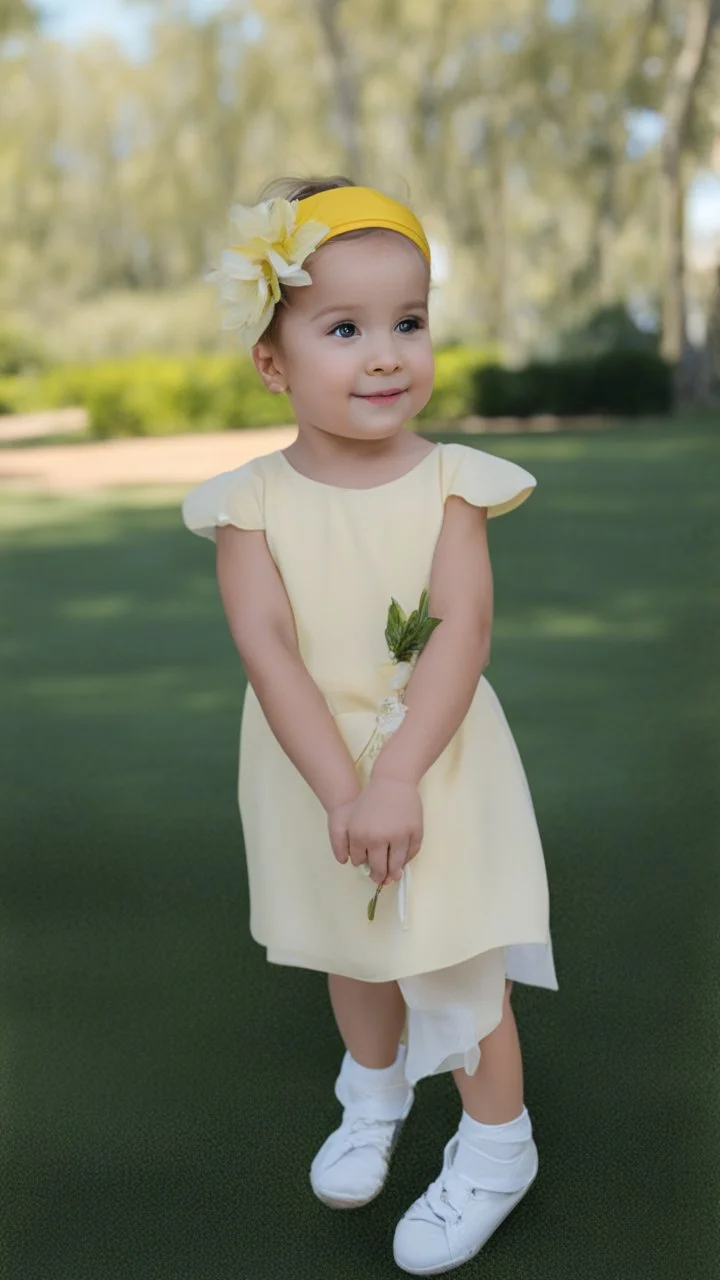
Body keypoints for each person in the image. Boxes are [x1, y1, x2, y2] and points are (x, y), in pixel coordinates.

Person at [182, 176, 558, 1275]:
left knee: (453, 954)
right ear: (273, 360)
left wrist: (392, 778)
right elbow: (267, 645)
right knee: (354, 940)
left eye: (409, 322)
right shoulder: (249, 500)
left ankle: (497, 1146)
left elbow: (460, 631)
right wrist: (343, 791)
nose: (386, 353)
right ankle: (374, 1090)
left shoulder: (453, 484)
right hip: (312, 763)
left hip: (433, 758)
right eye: (345, 328)